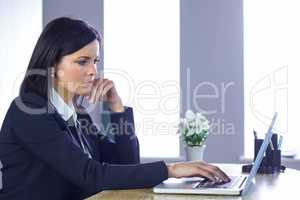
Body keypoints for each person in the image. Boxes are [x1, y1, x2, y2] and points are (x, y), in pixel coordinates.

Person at [0, 17, 230, 200]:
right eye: (82, 61)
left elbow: (126, 164)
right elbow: (90, 175)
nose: (92, 71)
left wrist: (116, 108)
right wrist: (172, 169)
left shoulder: (76, 114)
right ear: (52, 65)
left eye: (95, 61)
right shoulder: (28, 111)